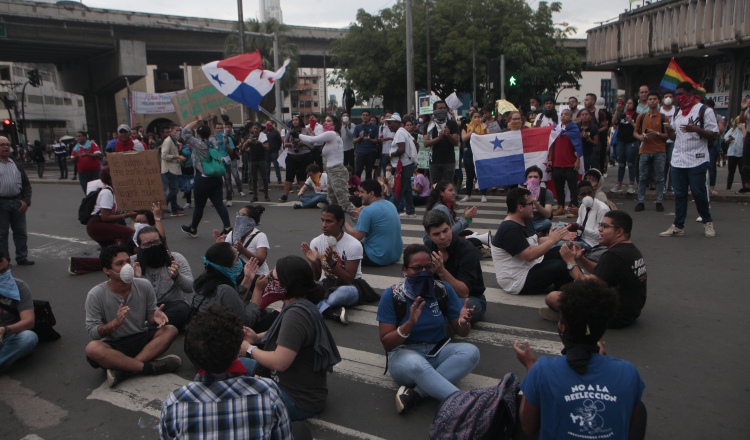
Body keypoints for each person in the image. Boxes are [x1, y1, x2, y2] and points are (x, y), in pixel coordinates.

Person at [514, 280, 646, 440]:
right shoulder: (628, 372)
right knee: (640, 409)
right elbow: (627, 426)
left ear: (563, 328)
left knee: (518, 403)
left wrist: (530, 366)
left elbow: (528, 428)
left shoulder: (542, 370)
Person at [160, 305, 309, 440]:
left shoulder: (174, 404)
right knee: (301, 430)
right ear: (238, 349)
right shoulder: (266, 391)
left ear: (192, 354)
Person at [376, 244, 479, 414]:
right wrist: (408, 324)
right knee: (418, 365)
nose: (423, 272)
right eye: (417, 268)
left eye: (428, 267)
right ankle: (463, 403)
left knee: (472, 352)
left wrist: (463, 322)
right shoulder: (393, 295)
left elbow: (462, 332)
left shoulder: (443, 290)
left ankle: (416, 393)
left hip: (437, 351)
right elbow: (387, 344)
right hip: (404, 356)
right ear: (405, 270)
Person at [239, 255, 342, 421]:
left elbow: (280, 362)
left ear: (287, 285)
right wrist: (256, 337)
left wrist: (250, 349)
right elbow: (288, 336)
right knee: (234, 364)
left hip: (297, 398)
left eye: (273, 278)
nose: (269, 280)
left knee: (239, 405)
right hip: (285, 383)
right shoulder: (297, 303)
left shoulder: (296, 314)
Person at [84, 244, 181, 388]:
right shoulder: (96, 294)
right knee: (92, 349)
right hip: (115, 345)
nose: (127, 266)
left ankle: (124, 370)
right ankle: (147, 367)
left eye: (127, 261)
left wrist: (155, 317)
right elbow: (93, 332)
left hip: (140, 337)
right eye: (119, 263)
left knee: (171, 330)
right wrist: (114, 324)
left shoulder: (143, 285)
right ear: (107, 270)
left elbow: (150, 314)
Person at [543, 210, 647, 329]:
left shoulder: (613, 256)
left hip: (615, 316)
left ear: (619, 232)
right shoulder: (630, 249)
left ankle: (573, 316)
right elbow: (602, 272)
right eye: (600, 225)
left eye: (605, 226)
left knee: (553, 297)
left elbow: (586, 285)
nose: (600, 230)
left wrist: (570, 262)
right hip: (631, 311)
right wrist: (580, 258)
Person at [301, 204, 380, 324]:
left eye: (329, 221)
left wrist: (332, 263)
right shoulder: (316, 242)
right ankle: (329, 313)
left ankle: (314, 309)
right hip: (329, 283)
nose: (324, 225)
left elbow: (348, 279)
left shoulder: (354, 244)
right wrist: (314, 262)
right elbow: (316, 277)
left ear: (340, 222)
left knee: (339, 295)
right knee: (302, 288)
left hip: (352, 286)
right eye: (322, 220)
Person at [660, 82, 718, 238]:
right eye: (677, 94)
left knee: (698, 193)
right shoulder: (678, 112)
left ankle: (707, 222)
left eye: (682, 94)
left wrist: (696, 129)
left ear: (691, 93)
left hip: (697, 158)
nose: (679, 97)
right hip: (679, 158)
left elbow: (714, 134)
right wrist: (669, 131)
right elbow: (674, 137)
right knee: (679, 194)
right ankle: (678, 226)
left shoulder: (704, 111)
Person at [490, 188, 572, 295]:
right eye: (531, 204)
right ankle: (571, 294)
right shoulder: (509, 228)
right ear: (520, 207)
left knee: (562, 252)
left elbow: (535, 240)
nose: (534, 207)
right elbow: (529, 255)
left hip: (530, 266)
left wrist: (558, 236)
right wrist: (552, 240)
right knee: (559, 266)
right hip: (517, 279)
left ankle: (563, 287)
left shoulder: (525, 219)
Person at [423, 210, 486, 323]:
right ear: (429, 235)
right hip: (439, 296)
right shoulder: (428, 248)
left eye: (445, 231)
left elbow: (463, 292)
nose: (443, 237)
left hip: (470, 298)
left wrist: (441, 271)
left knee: (460, 307)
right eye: (436, 234)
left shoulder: (467, 250)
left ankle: (434, 321)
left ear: (451, 228)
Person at [191, 242, 267, 331]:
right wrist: (258, 290)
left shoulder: (200, 282)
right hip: (221, 340)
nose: (240, 263)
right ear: (227, 265)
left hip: (199, 336)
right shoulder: (224, 289)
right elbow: (246, 322)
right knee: (273, 315)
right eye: (237, 259)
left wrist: (248, 278)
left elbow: (234, 302)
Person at [131, 227, 192, 331]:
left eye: (156, 242)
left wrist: (177, 276)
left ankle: (145, 330)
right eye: (147, 244)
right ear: (140, 246)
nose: (153, 246)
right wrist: (137, 279)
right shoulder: (132, 262)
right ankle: (155, 329)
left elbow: (190, 287)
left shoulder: (176, 258)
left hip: (171, 305)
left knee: (183, 310)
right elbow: (126, 296)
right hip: (145, 307)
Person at [180, 117, 232, 238]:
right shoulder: (214, 141)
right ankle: (227, 227)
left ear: (197, 134)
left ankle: (193, 228)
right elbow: (213, 132)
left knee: (199, 206)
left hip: (203, 178)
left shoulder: (198, 144)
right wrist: (209, 120)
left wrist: (197, 120)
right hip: (216, 177)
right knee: (219, 203)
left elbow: (185, 132)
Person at [299, 115, 355, 212]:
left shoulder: (332, 133)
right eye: (325, 121)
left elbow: (313, 139)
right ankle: (335, 224)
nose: (325, 123)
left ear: (335, 124)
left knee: (344, 202)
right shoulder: (332, 137)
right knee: (332, 201)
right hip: (331, 171)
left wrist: (298, 135)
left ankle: (361, 222)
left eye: (328, 121)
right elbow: (329, 154)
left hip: (337, 171)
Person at [344, 179, 403, 267]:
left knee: (342, 242)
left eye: (362, 192)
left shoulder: (367, 211)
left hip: (377, 257)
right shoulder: (390, 204)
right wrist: (361, 218)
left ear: (371, 194)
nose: (359, 195)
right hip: (395, 255)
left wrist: (342, 221)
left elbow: (356, 236)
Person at [0, 251, 38, 371]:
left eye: (7, 268)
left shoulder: (19, 286)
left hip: (9, 335)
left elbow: (29, 321)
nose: (6, 273)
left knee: (29, 338)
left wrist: (4, 330)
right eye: (1, 272)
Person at [634, 91, 670, 212]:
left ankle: (659, 201)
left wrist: (657, 133)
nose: (652, 101)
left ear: (659, 101)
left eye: (654, 99)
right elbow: (635, 131)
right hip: (644, 149)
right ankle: (641, 201)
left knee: (659, 178)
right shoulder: (642, 116)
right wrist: (640, 137)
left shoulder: (664, 117)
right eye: (650, 99)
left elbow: (667, 135)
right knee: (642, 177)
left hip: (659, 150)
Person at [0, 137, 33, 266]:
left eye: (7, 144)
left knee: (20, 232)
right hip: (1, 203)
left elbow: (26, 184)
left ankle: (22, 257)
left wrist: (25, 201)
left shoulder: (15, 163)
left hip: (17, 202)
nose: (6, 147)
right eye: (2, 145)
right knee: (2, 235)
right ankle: (4, 260)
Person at [85, 167, 137, 249]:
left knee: (110, 250)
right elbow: (105, 217)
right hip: (97, 225)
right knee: (129, 233)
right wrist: (127, 215)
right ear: (110, 180)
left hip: (99, 225)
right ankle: (125, 253)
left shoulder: (113, 192)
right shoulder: (107, 192)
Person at [561, 181, 610, 251]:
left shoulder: (602, 209)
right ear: (579, 197)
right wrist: (572, 229)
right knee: (558, 232)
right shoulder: (582, 206)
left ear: (593, 193)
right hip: (581, 238)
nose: (587, 196)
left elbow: (600, 235)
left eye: (590, 193)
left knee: (562, 246)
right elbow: (579, 224)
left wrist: (581, 228)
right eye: (583, 194)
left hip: (593, 243)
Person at [280, 116, 314, 202]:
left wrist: (302, 142)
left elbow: (312, 141)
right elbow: (284, 144)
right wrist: (291, 144)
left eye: (296, 120)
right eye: (293, 120)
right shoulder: (289, 131)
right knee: (289, 176)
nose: (294, 122)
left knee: (302, 176)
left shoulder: (306, 130)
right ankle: (285, 195)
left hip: (304, 155)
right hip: (292, 155)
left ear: (300, 121)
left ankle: (301, 194)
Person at [425, 101, 460, 184]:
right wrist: (439, 138)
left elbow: (456, 142)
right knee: (435, 186)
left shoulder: (452, 124)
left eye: (444, 108)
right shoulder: (428, 125)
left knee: (448, 185)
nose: (443, 110)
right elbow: (426, 143)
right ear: (434, 110)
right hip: (434, 160)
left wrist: (448, 135)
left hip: (448, 161)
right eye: (440, 108)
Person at [610, 99, 639, 194]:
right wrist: (617, 110)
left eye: (630, 103)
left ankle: (631, 185)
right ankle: (619, 184)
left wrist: (631, 121)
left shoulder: (637, 115)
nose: (628, 105)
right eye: (627, 103)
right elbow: (614, 122)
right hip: (621, 141)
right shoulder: (622, 114)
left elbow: (638, 128)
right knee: (621, 163)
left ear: (634, 105)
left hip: (632, 141)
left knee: (631, 163)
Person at [460, 110, 489, 203]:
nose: (477, 119)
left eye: (478, 117)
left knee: (480, 173)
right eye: (475, 117)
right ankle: (468, 194)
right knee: (469, 174)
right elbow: (464, 138)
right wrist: (472, 130)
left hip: (480, 152)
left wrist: (484, 130)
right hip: (469, 152)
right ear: (471, 118)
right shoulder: (466, 126)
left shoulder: (483, 126)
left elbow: (487, 139)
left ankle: (483, 194)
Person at [214, 120, 243, 207]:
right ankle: (217, 199)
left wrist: (226, 144)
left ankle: (229, 198)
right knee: (216, 182)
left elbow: (232, 151)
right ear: (215, 129)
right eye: (217, 128)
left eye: (220, 128)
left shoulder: (227, 138)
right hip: (217, 162)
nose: (219, 130)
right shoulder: (213, 139)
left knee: (227, 180)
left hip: (226, 161)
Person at [160, 125, 187, 217]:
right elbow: (164, 155)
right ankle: (162, 207)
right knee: (174, 190)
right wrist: (177, 157)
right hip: (169, 169)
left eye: (179, 131)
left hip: (175, 168)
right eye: (176, 130)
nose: (178, 132)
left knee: (173, 189)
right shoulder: (168, 141)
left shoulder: (174, 141)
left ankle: (174, 209)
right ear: (171, 131)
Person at [245, 122, 271, 203]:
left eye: (257, 128)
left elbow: (267, 147)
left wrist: (260, 144)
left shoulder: (263, 137)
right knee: (254, 178)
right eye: (254, 128)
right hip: (253, 160)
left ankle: (266, 195)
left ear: (260, 129)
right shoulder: (250, 137)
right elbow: (243, 147)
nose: (255, 130)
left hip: (261, 159)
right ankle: (255, 196)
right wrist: (248, 143)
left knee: (264, 178)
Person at [524, 165, 554, 234]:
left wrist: (536, 204)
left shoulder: (546, 193)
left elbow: (548, 214)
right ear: (526, 179)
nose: (532, 179)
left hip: (540, 222)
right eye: (530, 177)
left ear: (540, 179)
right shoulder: (521, 193)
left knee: (547, 223)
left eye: (535, 177)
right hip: (525, 221)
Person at [353, 110, 379, 181]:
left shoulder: (374, 127)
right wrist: (360, 137)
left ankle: (367, 188)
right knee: (358, 171)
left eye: (367, 115)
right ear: (361, 116)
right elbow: (354, 141)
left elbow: (376, 140)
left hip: (371, 152)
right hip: (360, 151)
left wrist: (369, 139)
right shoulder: (357, 127)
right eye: (363, 115)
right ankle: (356, 187)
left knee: (368, 171)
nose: (365, 116)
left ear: (369, 117)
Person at [660, 91, 678, 192]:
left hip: (672, 140)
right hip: (662, 140)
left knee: (672, 163)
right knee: (663, 164)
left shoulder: (676, 111)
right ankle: (662, 185)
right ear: (663, 99)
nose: (668, 98)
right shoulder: (659, 110)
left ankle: (671, 185)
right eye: (666, 96)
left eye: (670, 97)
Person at [725, 116, 747, 190]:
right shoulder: (732, 130)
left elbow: (746, 137)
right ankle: (728, 187)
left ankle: (745, 186)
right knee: (731, 171)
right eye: (738, 122)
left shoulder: (745, 130)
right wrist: (729, 139)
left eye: (741, 122)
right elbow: (725, 139)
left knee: (742, 171)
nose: (739, 124)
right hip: (732, 153)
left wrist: (743, 128)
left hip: (741, 153)